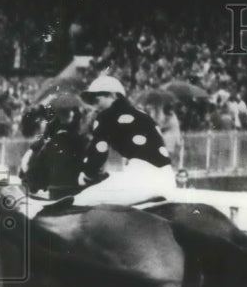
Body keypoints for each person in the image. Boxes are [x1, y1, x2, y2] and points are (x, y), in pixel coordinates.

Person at [72, 75, 175, 205]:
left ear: (113, 95)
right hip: (168, 180)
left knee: (79, 201)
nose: (95, 107)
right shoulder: (143, 114)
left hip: (141, 181)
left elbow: (98, 151)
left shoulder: (105, 116)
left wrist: (86, 176)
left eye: (97, 100)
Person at [20, 94, 88, 200]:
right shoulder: (80, 140)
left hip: (55, 188)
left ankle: (30, 183)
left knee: (40, 161)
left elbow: (35, 164)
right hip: (75, 188)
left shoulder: (49, 143)